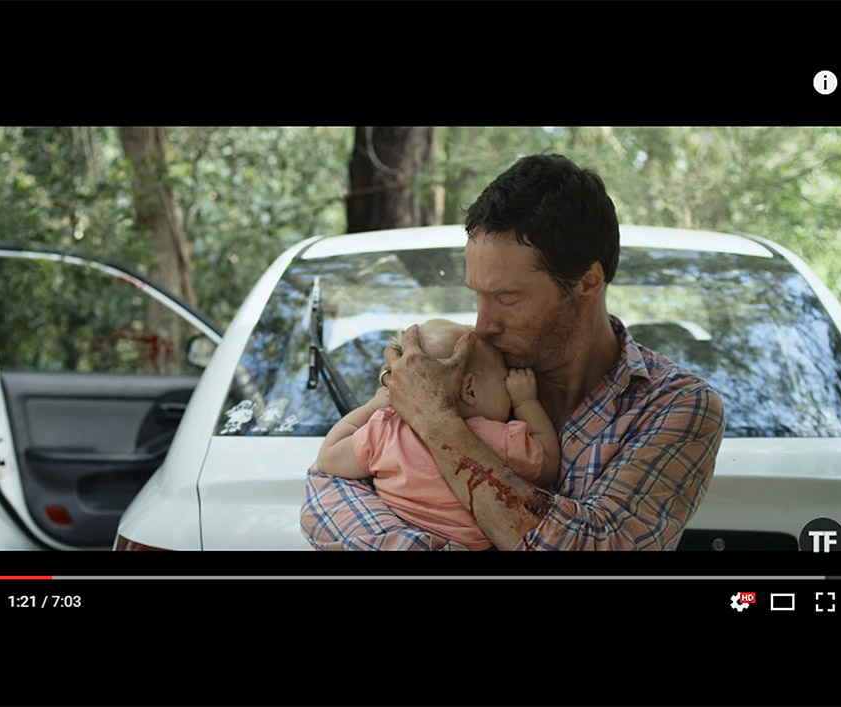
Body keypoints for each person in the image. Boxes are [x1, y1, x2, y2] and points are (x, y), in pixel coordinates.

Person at [300, 153, 727, 551]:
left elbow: (597, 545)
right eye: (478, 296)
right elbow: (326, 485)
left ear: (588, 282)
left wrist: (438, 423)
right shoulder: (463, 365)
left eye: (507, 298)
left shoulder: (674, 405)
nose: (483, 325)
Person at [314, 318, 560, 551]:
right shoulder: (501, 439)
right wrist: (526, 402)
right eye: (504, 378)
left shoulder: (386, 430)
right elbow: (549, 463)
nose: (508, 385)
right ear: (470, 390)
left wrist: (371, 407)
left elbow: (328, 459)